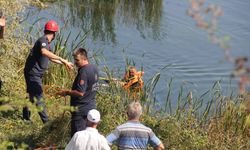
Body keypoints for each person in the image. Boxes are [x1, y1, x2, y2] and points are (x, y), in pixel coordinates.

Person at [23, 20, 74, 123]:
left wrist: (65, 63)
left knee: (32, 96)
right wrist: (62, 59)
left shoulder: (46, 43)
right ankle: (47, 122)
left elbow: (51, 58)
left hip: (33, 73)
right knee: (39, 97)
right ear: (54, 34)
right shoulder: (43, 41)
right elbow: (44, 52)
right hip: (33, 74)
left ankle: (25, 117)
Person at [57, 48, 99, 137]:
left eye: (77, 60)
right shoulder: (94, 68)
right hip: (91, 107)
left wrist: (67, 92)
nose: (75, 62)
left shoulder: (83, 71)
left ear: (84, 59)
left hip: (80, 110)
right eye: (74, 59)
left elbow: (80, 93)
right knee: (87, 137)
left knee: (77, 137)